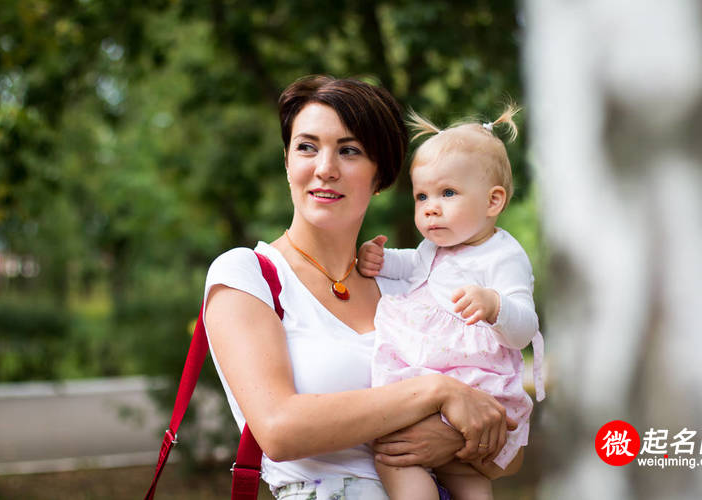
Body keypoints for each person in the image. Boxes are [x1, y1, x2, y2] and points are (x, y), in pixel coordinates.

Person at [202, 75, 516, 500]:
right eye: (307, 147)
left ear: (381, 175)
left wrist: (451, 442)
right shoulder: (249, 275)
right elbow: (279, 427)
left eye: (349, 151)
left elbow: (505, 439)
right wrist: (437, 393)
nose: (325, 169)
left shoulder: (409, 281)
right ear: (287, 161)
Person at [356, 107, 545, 500]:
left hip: (478, 391)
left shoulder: (503, 257)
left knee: (413, 462)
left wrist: (495, 307)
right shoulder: (433, 248)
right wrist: (382, 261)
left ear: (494, 202)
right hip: (433, 388)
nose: (430, 207)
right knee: (414, 462)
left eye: (447, 193)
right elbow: (412, 264)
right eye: (421, 195)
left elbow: (524, 329)